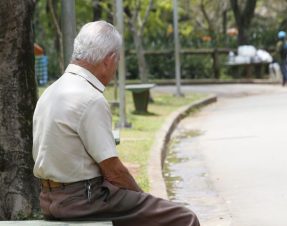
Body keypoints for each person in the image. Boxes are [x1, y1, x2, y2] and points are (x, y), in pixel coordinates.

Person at [32, 21, 200, 226]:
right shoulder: (90, 98)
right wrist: (142, 199)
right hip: (84, 200)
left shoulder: (52, 91)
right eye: (117, 61)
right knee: (184, 218)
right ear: (109, 60)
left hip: (49, 198)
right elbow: (113, 172)